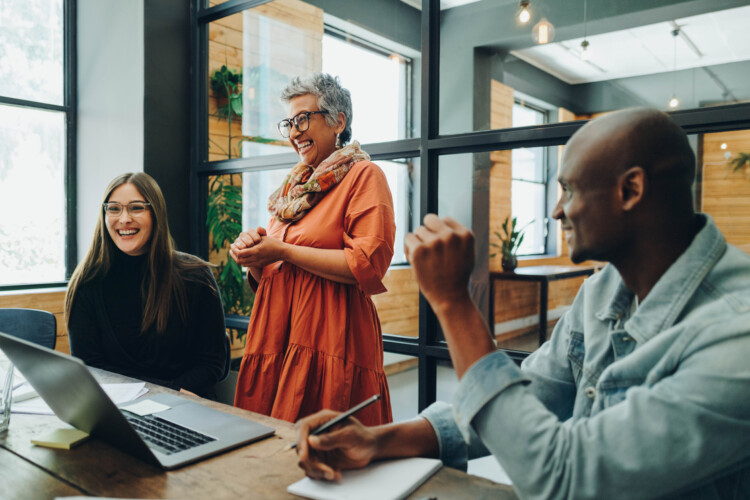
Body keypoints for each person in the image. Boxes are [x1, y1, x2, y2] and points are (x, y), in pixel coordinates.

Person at [293, 108, 750, 499]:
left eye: (568, 189)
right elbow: (522, 397)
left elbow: (563, 478)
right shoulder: (603, 290)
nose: (556, 211)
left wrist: (453, 303)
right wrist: (378, 440)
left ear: (630, 191)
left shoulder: (735, 338)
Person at [230, 73, 395, 425]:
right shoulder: (293, 190)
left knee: (329, 450)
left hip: (330, 338)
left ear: (339, 121)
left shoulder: (364, 176)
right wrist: (254, 257)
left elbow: (365, 264)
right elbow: (271, 274)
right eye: (289, 123)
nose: (294, 132)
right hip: (276, 335)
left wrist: (282, 251)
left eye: (303, 118)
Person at [65, 172, 228, 399]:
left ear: (156, 213)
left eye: (136, 208)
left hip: (185, 404)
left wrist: (167, 395)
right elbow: (90, 366)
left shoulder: (195, 275)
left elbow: (212, 363)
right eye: (114, 208)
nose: (124, 219)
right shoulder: (87, 282)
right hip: (117, 408)